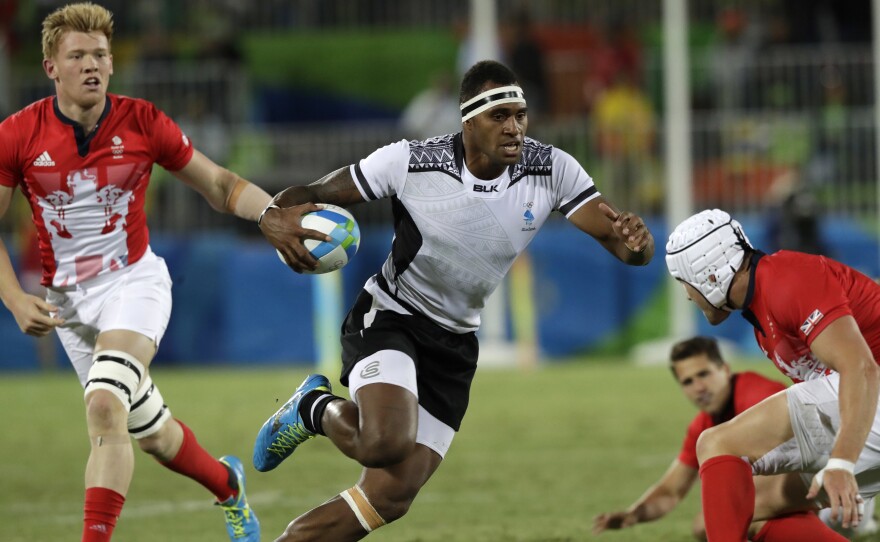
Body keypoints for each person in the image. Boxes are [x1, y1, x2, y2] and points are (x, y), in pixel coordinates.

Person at [254, 59, 655, 540]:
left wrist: (639, 243)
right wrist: (273, 217)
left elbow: (625, 248)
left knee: (390, 496)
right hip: (391, 318)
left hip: (455, 343)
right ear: (468, 121)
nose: (514, 128)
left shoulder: (551, 168)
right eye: (499, 116)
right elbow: (314, 193)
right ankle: (312, 408)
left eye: (520, 115)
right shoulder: (409, 162)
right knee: (383, 442)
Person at [0, 4, 287, 541]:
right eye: (77, 55)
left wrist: (272, 214)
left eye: (101, 55)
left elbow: (221, 186)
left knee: (105, 407)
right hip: (67, 303)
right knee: (152, 435)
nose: (92, 65)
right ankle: (228, 484)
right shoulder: (17, 135)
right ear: (50, 68)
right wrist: (15, 298)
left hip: (133, 283)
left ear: (112, 64)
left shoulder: (143, 122)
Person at [665, 208, 880, 542]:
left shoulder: (787, 279)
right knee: (747, 503)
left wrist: (841, 462)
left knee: (717, 443)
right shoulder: (763, 319)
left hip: (871, 395)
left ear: (709, 276)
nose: (687, 296)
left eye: (685, 284)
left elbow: (861, 368)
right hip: (868, 412)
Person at [593, 336, 861, 541]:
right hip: (813, 487)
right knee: (715, 521)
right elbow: (672, 490)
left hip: (839, 476)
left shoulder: (756, 395)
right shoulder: (704, 426)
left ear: (725, 369)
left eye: (704, 374)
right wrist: (634, 513)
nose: (699, 387)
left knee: (731, 514)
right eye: (688, 382)